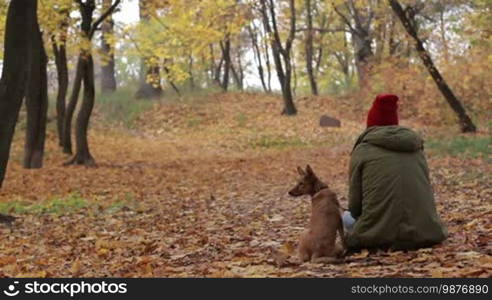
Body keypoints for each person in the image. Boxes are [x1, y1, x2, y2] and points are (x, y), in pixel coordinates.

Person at [344, 94, 448, 250]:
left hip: (376, 236)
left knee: (344, 217)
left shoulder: (362, 150)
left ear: (371, 124)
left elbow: (355, 207)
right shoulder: (416, 147)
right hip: (425, 233)